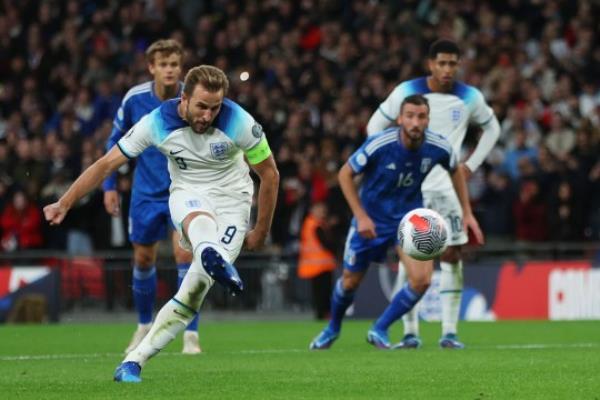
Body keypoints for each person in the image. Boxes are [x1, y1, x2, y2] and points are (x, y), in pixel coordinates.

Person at [44, 65, 279, 382]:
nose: (208, 115)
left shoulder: (240, 122)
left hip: (232, 202)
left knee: (193, 291)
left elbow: (270, 174)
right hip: (187, 193)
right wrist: (65, 202)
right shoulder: (155, 122)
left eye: (215, 108)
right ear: (184, 98)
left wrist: (260, 231)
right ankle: (210, 252)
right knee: (195, 217)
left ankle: (133, 361)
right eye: (201, 107)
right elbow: (106, 164)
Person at [309, 94, 483, 350]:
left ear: (428, 120)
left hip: (408, 221)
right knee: (349, 282)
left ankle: (379, 328)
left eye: (421, 117)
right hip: (371, 220)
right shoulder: (380, 144)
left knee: (422, 280)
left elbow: (455, 169)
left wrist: (466, 212)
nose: (415, 122)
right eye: (410, 116)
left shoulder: (438, 147)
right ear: (400, 118)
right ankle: (332, 327)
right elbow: (345, 173)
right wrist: (360, 216)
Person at [366, 39, 499, 349]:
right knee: (410, 259)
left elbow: (493, 130)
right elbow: (374, 127)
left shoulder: (470, 97)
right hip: (410, 191)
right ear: (430, 64)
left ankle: (449, 333)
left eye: (452, 63)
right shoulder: (406, 92)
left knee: (452, 256)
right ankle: (410, 333)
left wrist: (470, 165)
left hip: (448, 190)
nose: (447, 69)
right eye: (441, 63)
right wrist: (395, 161)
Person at [102, 39, 201, 354]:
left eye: (174, 64)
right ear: (152, 68)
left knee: (185, 256)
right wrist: (109, 187)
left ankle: (190, 334)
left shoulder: (193, 96)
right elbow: (114, 142)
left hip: (184, 190)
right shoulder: (135, 99)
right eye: (164, 64)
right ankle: (144, 324)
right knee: (144, 258)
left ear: (180, 66)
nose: (170, 70)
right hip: (145, 192)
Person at [297, 201, 337, 320]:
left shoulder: (309, 223)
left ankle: (322, 314)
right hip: (321, 265)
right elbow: (327, 244)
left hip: (316, 265)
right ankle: (324, 314)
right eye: (320, 210)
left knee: (320, 293)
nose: (323, 213)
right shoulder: (316, 225)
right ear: (313, 211)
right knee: (323, 293)